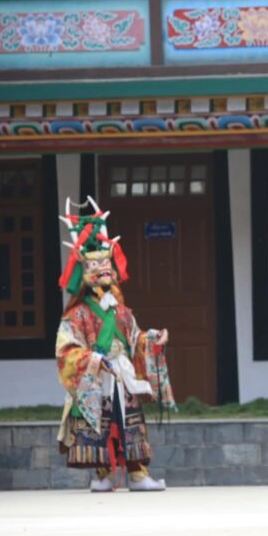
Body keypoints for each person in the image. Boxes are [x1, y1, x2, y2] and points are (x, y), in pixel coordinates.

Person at [55, 197, 176, 492]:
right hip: (97, 375)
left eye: (106, 264)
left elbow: (134, 338)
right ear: (85, 273)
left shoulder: (121, 311)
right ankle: (103, 474)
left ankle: (138, 474)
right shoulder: (77, 314)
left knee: (130, 423)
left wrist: (152, 339)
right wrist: (93, 360)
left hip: (122, 374)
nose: (103, 269)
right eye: (95, 265)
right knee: (101, 425)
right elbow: (66, 349)